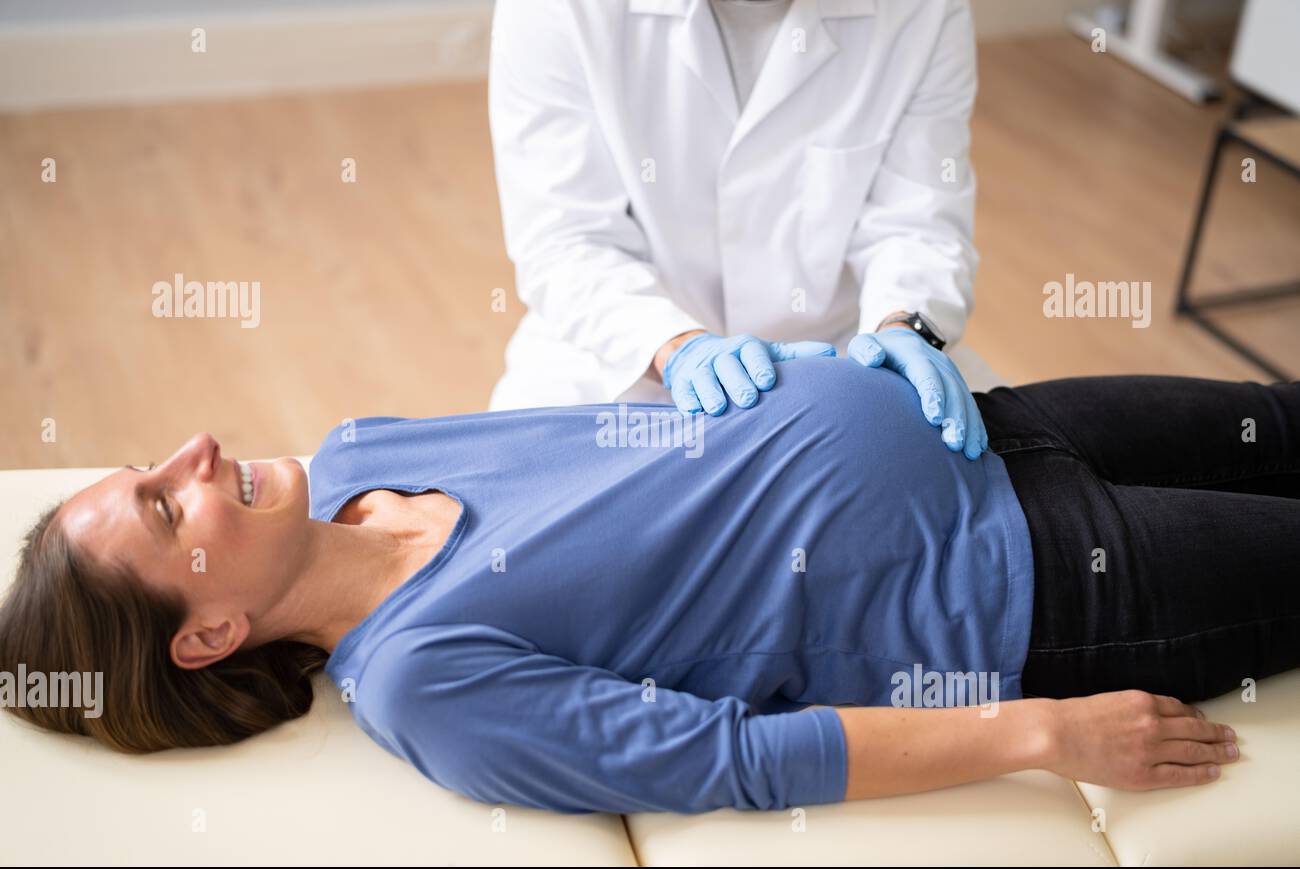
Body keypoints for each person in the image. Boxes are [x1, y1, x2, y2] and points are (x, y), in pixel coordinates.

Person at [5, 360, 1295, 814]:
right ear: (211, 633)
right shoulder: (424, 682)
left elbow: (647, 449)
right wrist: (1043, 731)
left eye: (152, 465)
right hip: (1038, 586)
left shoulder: (358, 450)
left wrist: (829, 363)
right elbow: (735, 759)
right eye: (167, 505)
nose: (196, 455)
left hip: (981, 427)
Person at [487, 0, 989, 460]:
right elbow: (567, 237)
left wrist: (902, 328)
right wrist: (678, 346)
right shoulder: (559, 9)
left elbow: (918, 221)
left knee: (977, 508)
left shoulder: (923, 10)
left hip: (842, 359)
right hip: (619, 359)